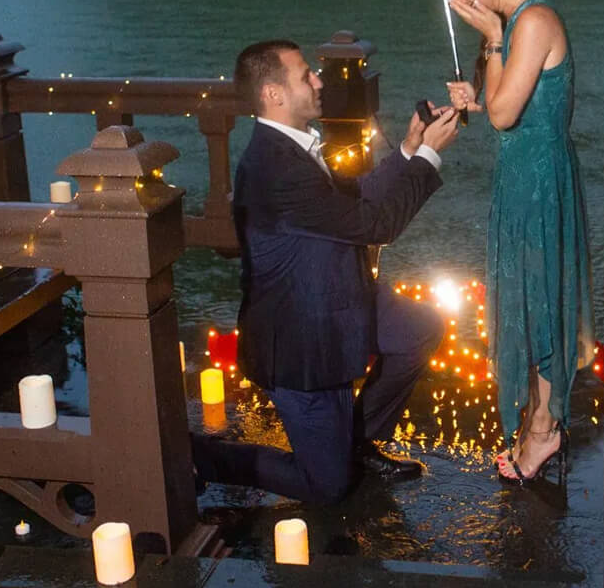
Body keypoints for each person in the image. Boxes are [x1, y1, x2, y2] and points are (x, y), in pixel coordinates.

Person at [191, 38, 460, 505]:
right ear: (273, 94)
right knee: (328, 486)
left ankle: (357, 440)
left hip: (337, 299)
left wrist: (409, 149)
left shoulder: (290, 147)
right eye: (305, 76)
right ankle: (203, 458)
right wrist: (431, 157)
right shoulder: (276, 166)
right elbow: (376, 225)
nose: (319, 81)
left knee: (419, 330)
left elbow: (355, 195)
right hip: (301, 341)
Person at [440, 0, 592, 485]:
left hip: (540, 180)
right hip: (521, 174)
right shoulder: (515, 21)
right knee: (527, 298)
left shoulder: (534, 21)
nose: (458, 2)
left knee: (544, 302)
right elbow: (502, 108)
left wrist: (496, 40)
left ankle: (546, 431)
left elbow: (507, 115)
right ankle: (538, 417)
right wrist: (474, 99)